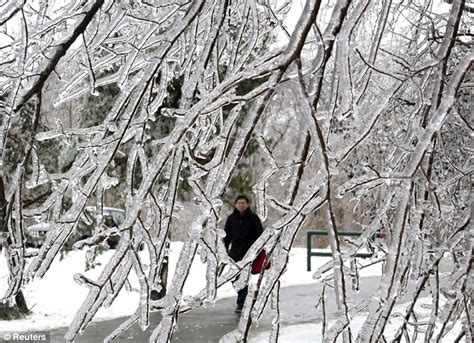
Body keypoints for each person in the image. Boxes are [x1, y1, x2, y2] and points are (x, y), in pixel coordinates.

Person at [223, 195, 264, 313]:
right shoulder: (231, 218)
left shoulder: (253, 218)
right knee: (234, 278)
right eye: (239, 203)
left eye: (243, 203)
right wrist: (224, 250)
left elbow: (259, 235)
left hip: (249, 253)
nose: (241, 205)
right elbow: (227, 236)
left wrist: (257, 250)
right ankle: (244, 299)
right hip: (235, 253)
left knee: (243, 277)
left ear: (247, 204)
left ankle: (241, 303)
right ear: (235, 204)